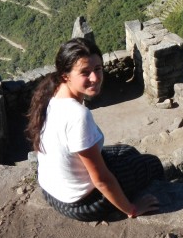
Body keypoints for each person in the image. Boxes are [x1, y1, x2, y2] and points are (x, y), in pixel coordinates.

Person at [26, 37, 163, 221]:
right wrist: (132, 209)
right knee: (152, 164)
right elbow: (101, 180)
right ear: (66, 75)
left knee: (127, 151)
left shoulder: (50, 94)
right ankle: (155, 200)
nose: (95, 78)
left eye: (98, 69)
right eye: (85, 72)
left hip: (51, 190)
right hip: (82, 203)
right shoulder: (77, 115)